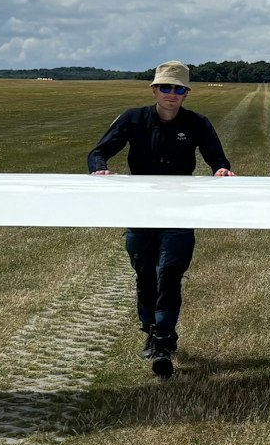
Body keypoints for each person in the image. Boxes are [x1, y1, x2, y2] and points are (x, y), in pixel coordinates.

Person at [88, 61, 235, 376]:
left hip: (179, 208)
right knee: (144, 272)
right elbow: (98, 152)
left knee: (169, 272)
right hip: (141, 207)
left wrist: (221, 170)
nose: (172, 94)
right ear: (154, 90)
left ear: (186, 94)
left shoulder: (197, 123)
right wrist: (99, 168)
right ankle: (150, 330)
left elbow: (217, 159)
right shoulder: (133, 118)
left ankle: (164, 338)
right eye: (165, 88)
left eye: (179, 89)